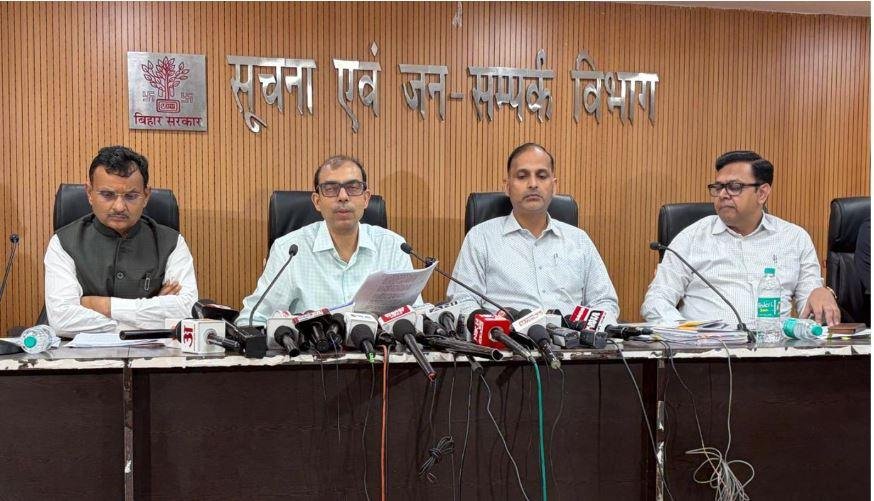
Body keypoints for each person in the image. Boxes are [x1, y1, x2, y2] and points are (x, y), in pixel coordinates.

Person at [641, 150, 841, 326]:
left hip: (774, 348)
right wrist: (687, 333)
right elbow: (656, 301)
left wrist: (821, 296)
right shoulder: (691, 238)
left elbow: (812, 309)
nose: (723, 195)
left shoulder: (794, 239)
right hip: (707, 350)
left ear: (762, 193)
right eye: (718, 187)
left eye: (734, 187)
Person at [447, 143, 620, 323]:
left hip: (571, 338)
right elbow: (463, 301)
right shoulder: (480, 237)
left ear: (554, 186)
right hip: (507, 338)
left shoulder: (579, 240)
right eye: (522, 176)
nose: (533, 184)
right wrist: (496, 329)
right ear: (507, 186)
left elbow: (604, 301)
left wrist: (588, 331)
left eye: (542, 176)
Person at [238, 155, 416, 326]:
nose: (343, 196)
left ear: (366, 198)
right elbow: (252, 319)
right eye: (331, 188)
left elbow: (414, 316)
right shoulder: (289, 250)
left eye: (353, 187)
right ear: (317, 201)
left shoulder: (394, 247)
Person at [44, 145, 198, 336]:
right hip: (83, 353)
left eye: (131, 196)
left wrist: (102, 305)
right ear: (89, 193)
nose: (119, 207)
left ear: (146, 196)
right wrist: (152, 314)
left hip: (155, 352)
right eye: (107, 195)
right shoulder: (63, 243)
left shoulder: (172, 243)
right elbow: (62, 320)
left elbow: (186, 311)